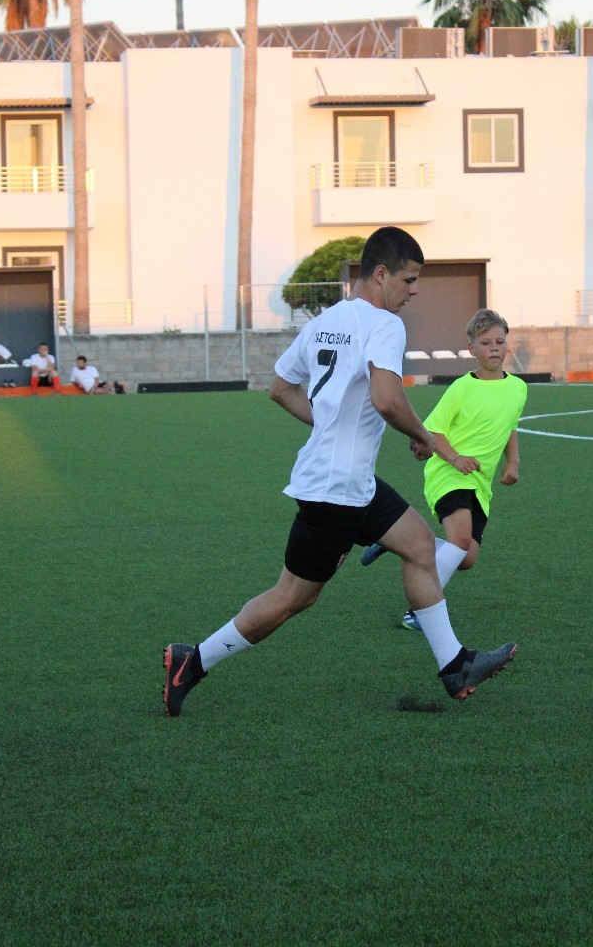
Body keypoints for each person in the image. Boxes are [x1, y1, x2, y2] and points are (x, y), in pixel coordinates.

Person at [162, 226, 517, 718]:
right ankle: (193, 661)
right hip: (337, 491)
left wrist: (329, 424)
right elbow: (387, 399)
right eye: (409, 280)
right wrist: (425, 437)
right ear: (381, 274)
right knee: (292, 597)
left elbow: (281, 388)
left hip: (351, 483)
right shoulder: (385, 324)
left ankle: (455, 665)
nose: (415, 291)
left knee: (420, 547)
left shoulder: (324, 321)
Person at [361, 308, 527, 631]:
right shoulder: (462, 388)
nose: (494, 348)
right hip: (448, 472)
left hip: (480, 483)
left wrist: (514, 461)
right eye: (485, 343)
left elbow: (510, 425)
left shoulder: (518, 388)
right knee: (460, 539)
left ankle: (398, 540)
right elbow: (433, 431)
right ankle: (420, 611)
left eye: (499, 342)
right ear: (472, 349)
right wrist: (455, 459)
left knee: (466, 558)